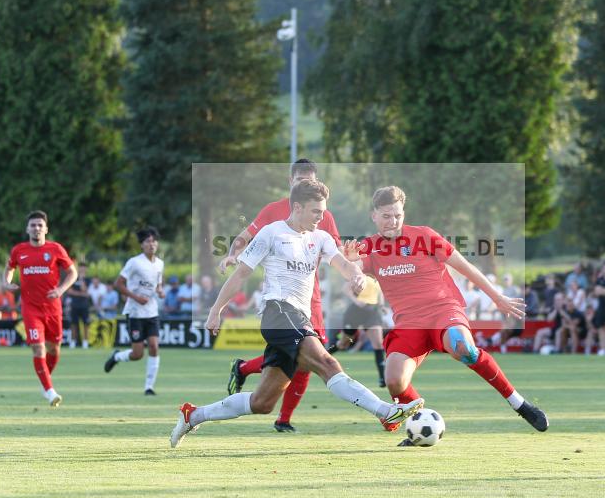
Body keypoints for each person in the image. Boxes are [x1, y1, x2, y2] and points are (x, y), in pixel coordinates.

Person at [170, 180, 423, 448]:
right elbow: (241, 274)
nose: (321, 217)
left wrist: (356, 276)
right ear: (298, 207)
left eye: (323, 211)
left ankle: (193, 415)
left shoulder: (320, 237)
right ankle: (385, 412)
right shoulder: (271, 233)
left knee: (262, 402)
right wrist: (215, 310)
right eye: (316, 211)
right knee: (327, 364)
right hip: (277, 311)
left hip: (298, 317)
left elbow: (342, 263)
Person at [345, 185, 547, 446]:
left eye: (397, 215)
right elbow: (354, 273)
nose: (392, 221)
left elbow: (466, 266)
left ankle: (519, 404)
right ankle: (418, 424)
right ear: (374, 215)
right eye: (386, 216)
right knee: (393, 380)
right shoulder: (368, 248)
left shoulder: (425, 236)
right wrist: (351, 266)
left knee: (463, 348)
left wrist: (497, 298)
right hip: (409, 324)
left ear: (403, 213)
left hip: (444, 311)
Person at [219, 159, 342, 433]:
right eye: (300, 180)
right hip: (281, 297)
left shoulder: (323, 213)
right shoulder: (272, 211)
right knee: (309, 356)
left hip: (311, 296)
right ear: (291, 182)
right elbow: (244, 238)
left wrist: (353, 266)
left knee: (304, 359)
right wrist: (232, 254)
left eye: (310, 180)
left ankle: (246, 372)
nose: (305, 184)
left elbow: (334, 251)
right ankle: (283, 418)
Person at [3, 210, 78, 406]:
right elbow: (10, 268)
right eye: (33, 225)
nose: (36, 228)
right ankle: (50, 390)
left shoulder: (55, 249)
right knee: (38, 348)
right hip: (30, 308)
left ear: (46, 229)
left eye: (39, 225)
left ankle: (45, 383)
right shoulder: (19, 250)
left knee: (55, 349)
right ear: (27, 229)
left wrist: (61, 290)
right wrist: (7, 282)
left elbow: (73, 273)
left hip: (53, 308)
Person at [105, 227, 165, 395]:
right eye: (147, 241)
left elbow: (158, 283)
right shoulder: (134, 262)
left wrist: (160, 290)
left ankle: (149, 387)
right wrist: (136, 297)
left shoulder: (160, 263)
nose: (151, 244)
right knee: (137, 353)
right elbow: (118, 284)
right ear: (141, 245)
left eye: (154, 241)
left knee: (154, 346)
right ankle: (117, 356)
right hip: (135, 311)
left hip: (152, 311)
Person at [331, 276, 386, 387]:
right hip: (356, 312)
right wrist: (356, 301)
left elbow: (380, 292)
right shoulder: (360, 272)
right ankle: (322, 356)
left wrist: (381, 305)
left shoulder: (379, 274)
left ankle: (382, 378)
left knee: (378, 344)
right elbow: (346, 288)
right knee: (343, 344)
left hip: (372, 312)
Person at [65, 263, 91, 348]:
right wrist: (81, 294)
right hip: (74, 305)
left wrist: (81, 279)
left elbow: (85, 290)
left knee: (86, 324)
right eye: (81, 268)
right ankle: (73, 342)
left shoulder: (87, 280)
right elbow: (69, 291)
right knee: (73, 324)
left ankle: (85, 343)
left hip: (84, 305)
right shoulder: (73, 278)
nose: (82, 270)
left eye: (84, 269)